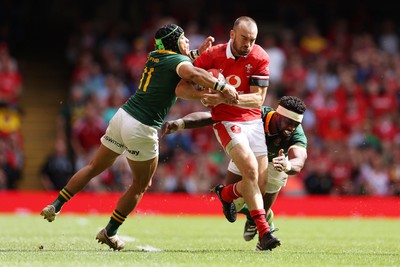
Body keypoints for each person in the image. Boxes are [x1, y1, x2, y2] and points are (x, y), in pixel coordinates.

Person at [40, 23, 239, 251]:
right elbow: (192, 72)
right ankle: (110, 232)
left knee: (94, 166)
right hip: (142, 127)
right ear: (175, 42)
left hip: (123, 116)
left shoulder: (156, 55)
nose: (188, 43)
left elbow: (182, 67)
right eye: (184, 39)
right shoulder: (178, 62)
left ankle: (56, 204)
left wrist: (197, 54)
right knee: (141, 184)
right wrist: (222, 85)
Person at [175, 16, 280, 251]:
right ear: (232, 35)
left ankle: (225, 195)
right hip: (226, 121)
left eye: (252, 40)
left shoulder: (260, 56)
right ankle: (265, 234)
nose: (248, 44)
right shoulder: (212, 55)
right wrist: (203, 95)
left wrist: (224, 95)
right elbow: (181, 87)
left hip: (253, 121)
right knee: (250, 171)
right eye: (244, 39)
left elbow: (258, 98)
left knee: (260, 185)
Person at [161, 95, 307, 243]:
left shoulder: (296, 132)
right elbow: (212, 116)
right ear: (278, 114)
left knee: (260, 209)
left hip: (276, 165)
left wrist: (287, 165)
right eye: (289, 122)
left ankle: (256, 223)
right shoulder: (254, 115)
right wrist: (180, 123)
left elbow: (299, 160)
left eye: (296, 124)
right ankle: (235, 201)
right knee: (234, 206)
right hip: (247, 157)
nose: (292, 127)